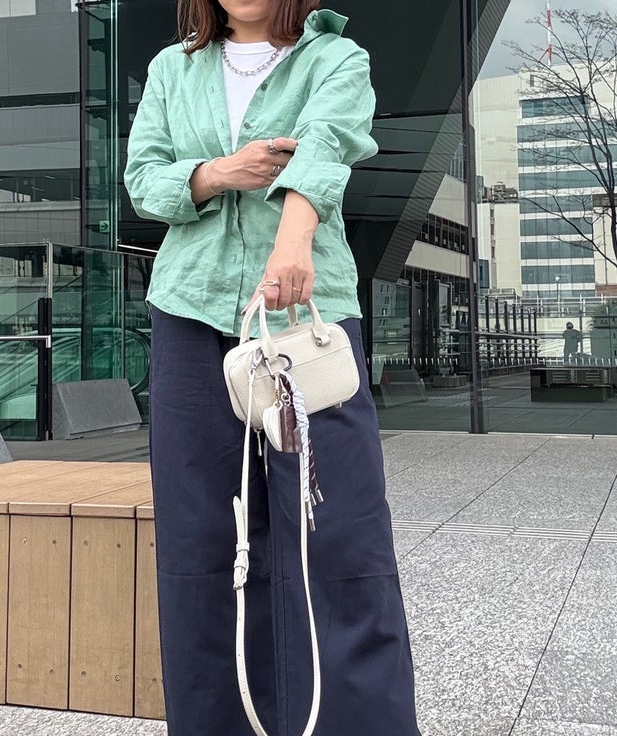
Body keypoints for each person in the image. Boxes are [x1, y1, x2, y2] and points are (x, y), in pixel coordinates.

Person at [124, 1, 421, 734]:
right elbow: (144, 179)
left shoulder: (334, 58)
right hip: (189, 313)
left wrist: (293, 243)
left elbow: (327, 145)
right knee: (199, 535)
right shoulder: (172, 68)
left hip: (304, 319)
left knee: (336, 524)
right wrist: (221, 173)